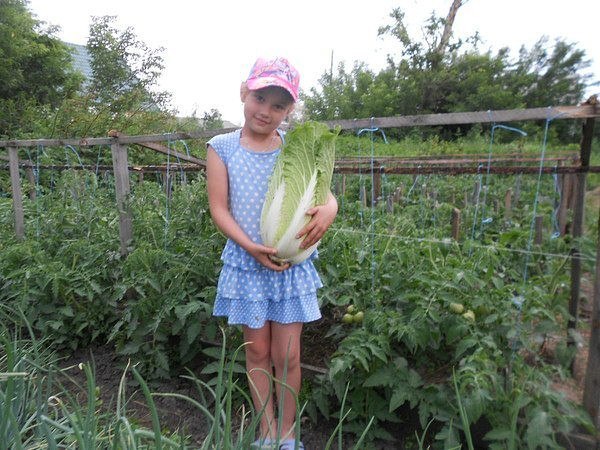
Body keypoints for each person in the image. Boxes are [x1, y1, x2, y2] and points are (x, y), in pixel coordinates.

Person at [206, 57, 338, 450]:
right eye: (260, 97)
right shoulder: (222, 147)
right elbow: (219, 209)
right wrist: (249, 245)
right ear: (244, 93)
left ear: (289, 110)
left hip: (289, 269)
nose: (266, 111)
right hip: (247, 265)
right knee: (258, 353)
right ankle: (266, 432)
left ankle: (287, 433)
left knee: (289, 356)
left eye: (279, 105)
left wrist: (331, 208)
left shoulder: (293, 147)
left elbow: (322, 192)